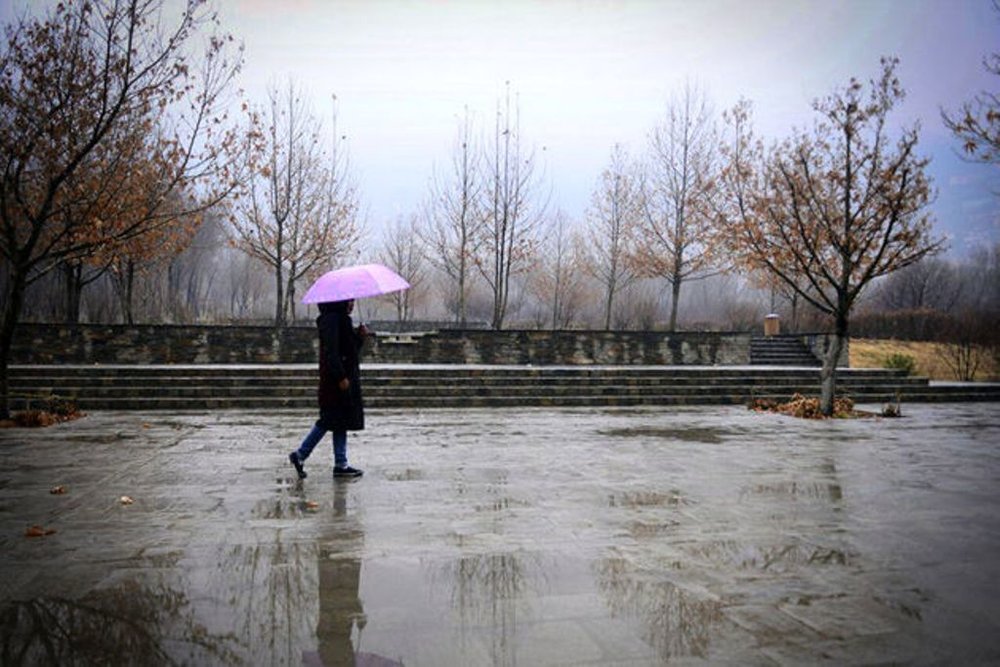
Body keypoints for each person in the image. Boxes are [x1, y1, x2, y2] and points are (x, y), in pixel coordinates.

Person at [289, 299, 368, 479]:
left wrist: (360, 337)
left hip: (344, 378)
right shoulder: (332, 320)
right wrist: (340, 376)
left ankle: (341, 463)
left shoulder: (341, 319)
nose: (352, 304)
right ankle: (300, 454)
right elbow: (332, 352)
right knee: (328, 419)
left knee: (340, 420)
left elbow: (350, 350)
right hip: (336, 380)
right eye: (349, 301)